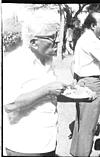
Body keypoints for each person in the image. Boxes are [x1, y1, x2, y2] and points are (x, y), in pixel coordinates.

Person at [3, 21, 72, 156]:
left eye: (58, 35)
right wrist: (47, 89)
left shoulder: (48, 60)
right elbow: (10, 105)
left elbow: (49, 95)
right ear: (34, 42)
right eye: (53, 37)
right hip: (25, 146)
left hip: (48, 141)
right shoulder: (15, 61)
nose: (59, 41)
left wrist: (74, 93)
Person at [70, 11, 100, 157]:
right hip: (92, 82)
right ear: (93, 25)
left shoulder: (84, 38)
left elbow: (73, 64)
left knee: (81, 122)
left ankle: (76, 152)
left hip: (83, 80)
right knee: (88, 125)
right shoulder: (92, 40)